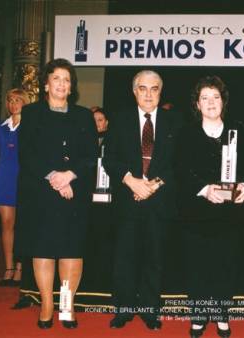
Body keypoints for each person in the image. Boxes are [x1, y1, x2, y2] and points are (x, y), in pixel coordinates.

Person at [15, 58, 97, 329]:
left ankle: (66, 305)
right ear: (46, 84)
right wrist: (54, 178)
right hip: (41, 192)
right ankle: (47, 304)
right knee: (44, 249)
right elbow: (27, 155)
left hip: (74, 192)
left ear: (72, 87)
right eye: (57, 78)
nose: (62, 84)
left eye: (67, 80)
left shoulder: (84, 116)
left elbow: (90, 156)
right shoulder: (31, 113)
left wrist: (69, 176)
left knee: (71, 249)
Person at [175, 76, 244, 338]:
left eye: (215, 97)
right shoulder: (186, 133)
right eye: (205, 98)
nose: (211, 102)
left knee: (226, 267)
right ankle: (198, 316)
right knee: (198, 267)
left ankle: (221, 314)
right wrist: (205, 189)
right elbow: (181, 172)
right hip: (196, 214)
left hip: (229, 216)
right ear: (197, 104)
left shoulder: (238, 130)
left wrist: (243, 185)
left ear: (223, 101)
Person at [103, 70, 180, 330]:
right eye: (143, 88)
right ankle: (123, 310)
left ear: (161, 92)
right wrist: (131, 181)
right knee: (124, 258)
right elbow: (110, 158)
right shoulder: (121, 119)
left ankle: (150, 311)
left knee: (154, 258)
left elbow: (178, 162)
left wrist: (151, 186)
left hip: (159, 202)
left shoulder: (174, 121)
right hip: (127, 200)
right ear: (134, 91)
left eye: (154, 88)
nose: (148, 94)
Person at [0, 88, 29, 286]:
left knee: (22, 223)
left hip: (23, 177)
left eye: (17, 100)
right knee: (7, 223)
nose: (13, 104)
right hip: (4, 176)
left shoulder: (31, 125)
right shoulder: (0, 126)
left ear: (25, 102)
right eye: (10, 101)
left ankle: (21, 268)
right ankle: (9, 267)